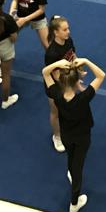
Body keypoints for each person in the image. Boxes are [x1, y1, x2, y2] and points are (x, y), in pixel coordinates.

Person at [43, 55, 105, 212]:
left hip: (66, 135)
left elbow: (45, 72)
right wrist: (87, 61)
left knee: (71, 157)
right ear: (77, 81)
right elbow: (101, 75)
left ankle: (72, 171)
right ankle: (74, 203)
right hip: (82, 137)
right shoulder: (83, 98)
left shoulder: (56, 94)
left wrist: (57, 63)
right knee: (78, 168)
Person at [44, 15, 77, 151]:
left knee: (68, 109)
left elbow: (73, 55)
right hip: (55, 85)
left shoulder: (68, 41)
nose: (68, 31)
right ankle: (57, 136)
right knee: (56, 112)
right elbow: (56, 75)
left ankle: (67, 128)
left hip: (67, 80)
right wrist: (69, 86)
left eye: (68, 28)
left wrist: (78, 70)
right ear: (56, 33)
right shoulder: (51, 53)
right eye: (64, 30)